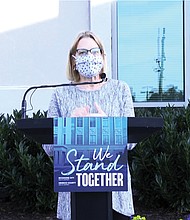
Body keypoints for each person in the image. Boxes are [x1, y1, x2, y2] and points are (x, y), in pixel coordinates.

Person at [43, 31, 135, 220]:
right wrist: (70, 123)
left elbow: (131, 141)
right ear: (74, 60)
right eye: (83, 52)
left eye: (94, 51)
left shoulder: (120, 89)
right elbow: (49, 147)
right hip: (72, 197)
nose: (89, 57)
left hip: (115, 197)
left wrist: (107, 125)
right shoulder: (60, 94)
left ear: (102, 56)